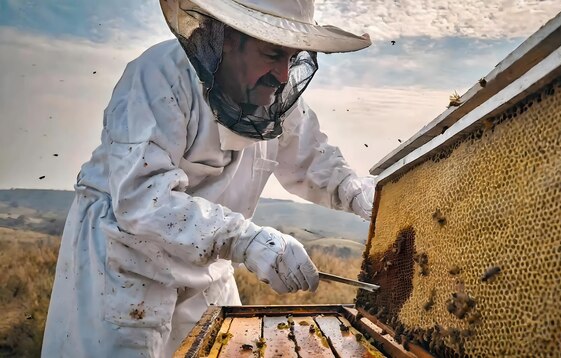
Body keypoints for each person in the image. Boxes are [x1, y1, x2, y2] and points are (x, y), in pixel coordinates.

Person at [42, 0, 374, 356]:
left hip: (207, 261)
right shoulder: (159, 76)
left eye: (292, 59)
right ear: (227, 37)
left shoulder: (279, 99)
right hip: (125, 263)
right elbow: (142, 197)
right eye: (273, 53)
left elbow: (314, 161)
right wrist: (248, 240)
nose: (282, 75)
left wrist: (362, 195)